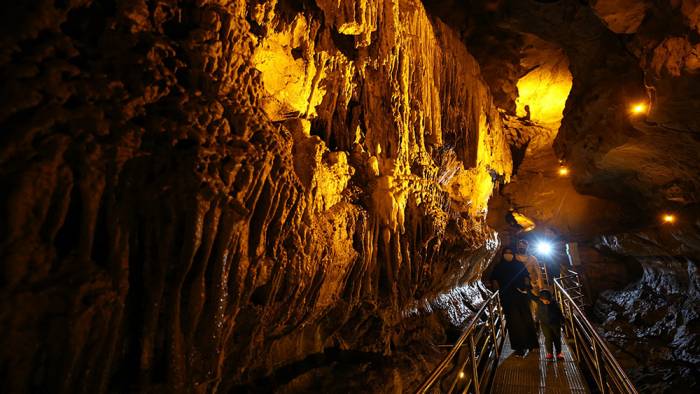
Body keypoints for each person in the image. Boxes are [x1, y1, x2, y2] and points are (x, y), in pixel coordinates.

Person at [489, 248, 539, 357]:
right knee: (514, 323)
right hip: (508, 298)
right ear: (503, 255)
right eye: (506, 253)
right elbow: (494, 280)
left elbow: (526, 276)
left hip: (521, 295)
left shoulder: (519, 264)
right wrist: (497, 293)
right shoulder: (499, 267)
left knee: (527, 319)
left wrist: (526, 287)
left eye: (510, 252)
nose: (508, 254)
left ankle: (532, 344)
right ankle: (519, 348)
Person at [528, 289, 564, 360]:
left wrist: (562, 321)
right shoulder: (539, 301)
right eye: (545, 300)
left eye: (548, 300)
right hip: (544, 324)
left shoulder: (554, 303)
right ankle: (550, 353)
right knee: (548, 338)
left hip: (555, 323)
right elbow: (531, 296)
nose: (547, 301)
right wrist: (527, 287)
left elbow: (559, 313)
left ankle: (559, 353)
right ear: (541, 299)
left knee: (557, 338)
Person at [515, 240, 543, 330]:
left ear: (527, 247)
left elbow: (538, 272)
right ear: (517, 246)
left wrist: (540, 285)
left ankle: (536, 320)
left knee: (535, 304)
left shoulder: (532, 258)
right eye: (520, 245)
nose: (522, 247)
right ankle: (526, 322)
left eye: (523, 246)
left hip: (532, 284)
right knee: (523, 304)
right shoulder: (515, 258)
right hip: (519, 284)